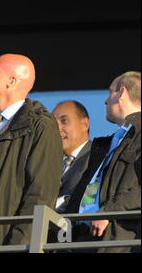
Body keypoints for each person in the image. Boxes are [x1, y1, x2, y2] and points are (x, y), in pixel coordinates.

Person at [0, 53, 63, 247]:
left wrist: (19, 245)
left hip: (3, 242)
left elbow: (40, 195)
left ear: (11, 81)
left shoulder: (40, 126)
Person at [66, 71, 140, 253]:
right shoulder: (106, 144)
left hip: (121, 240)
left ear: (121, 92)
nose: (105, 101)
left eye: (110, 92)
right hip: (83, 238)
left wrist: (109, 210)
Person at [52, 100, 91, 213]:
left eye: (64, 121)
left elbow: (89, 200)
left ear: (85, 124)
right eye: (54, 124)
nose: (57, 128)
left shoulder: (98, 158)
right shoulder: (48, 164)